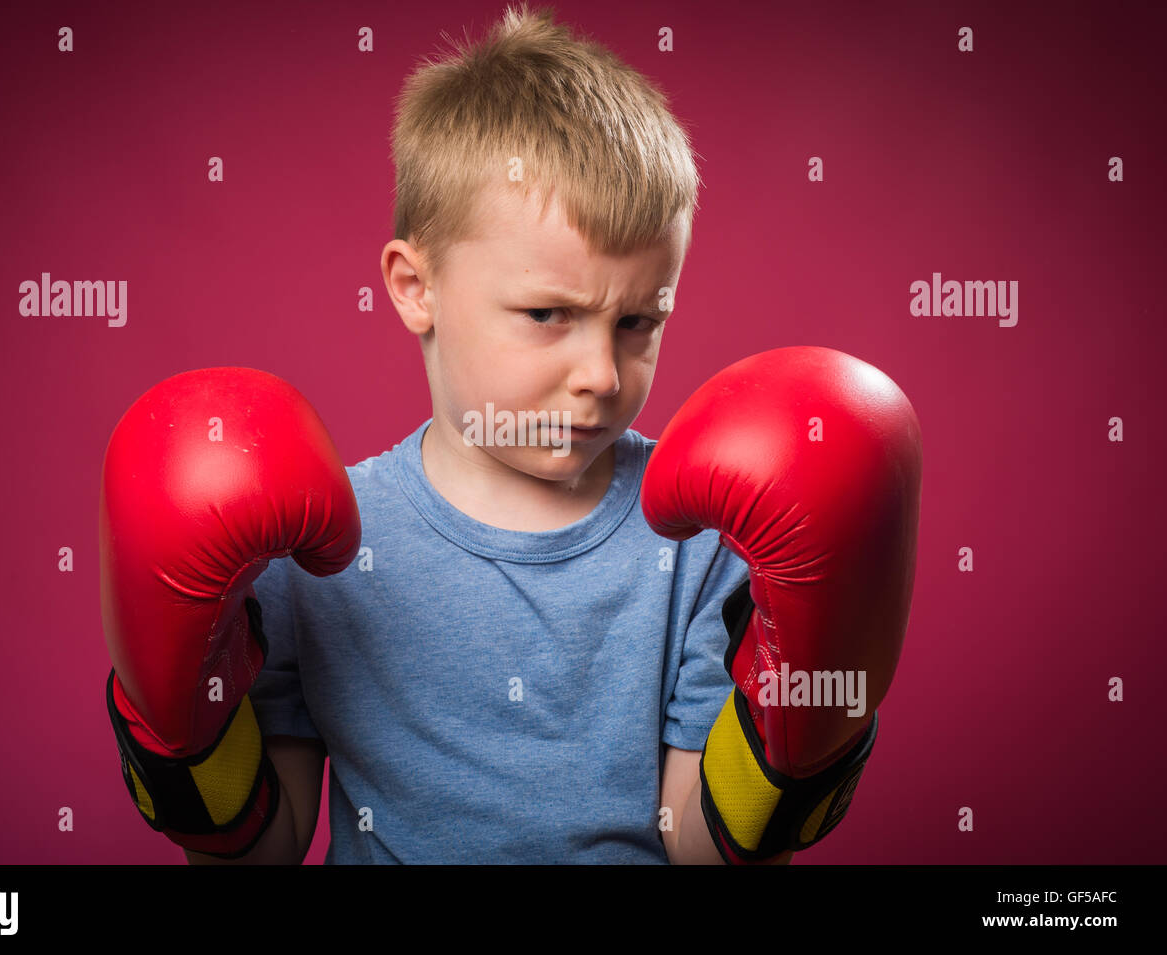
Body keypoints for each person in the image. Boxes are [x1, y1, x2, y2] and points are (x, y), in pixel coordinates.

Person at [100, 3, 920, 866]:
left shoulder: (695, 543)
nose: (602, 374)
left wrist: (804, 723)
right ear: (415, 286)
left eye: (638, 321)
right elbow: (263, 851)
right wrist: (179, 725)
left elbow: (701, 848)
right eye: (547, 314)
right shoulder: (319, 550)